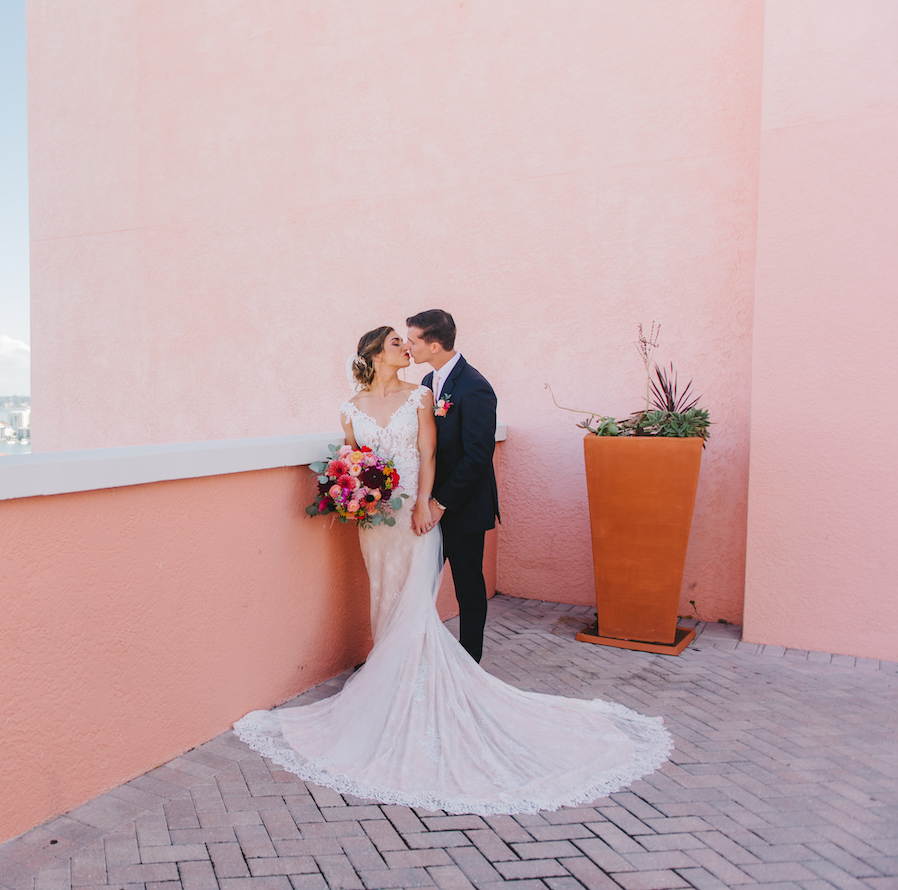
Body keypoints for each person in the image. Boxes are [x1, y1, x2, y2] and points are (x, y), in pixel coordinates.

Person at [233, 326, 671, 814]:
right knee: (385, 594)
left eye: (409, 340)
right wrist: (353, 495)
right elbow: (353, 459)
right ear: (374, 355)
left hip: (416, 517)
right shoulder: (350, 407)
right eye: (396, 343)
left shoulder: (421, 396)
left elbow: (429, 453)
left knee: (414, 598)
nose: (405, 347)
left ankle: (416, 687)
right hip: (374, 522)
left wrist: (426, 505)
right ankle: (387, 683)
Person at [405, 308, 498, 663]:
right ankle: (410, 652)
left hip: (463, 506)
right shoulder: (429, 384)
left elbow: (477, 456)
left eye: (413, 340)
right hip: (431, 504)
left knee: (468, 585)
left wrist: (439, 503)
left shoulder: (475, 387)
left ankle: (470, 660)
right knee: (420, 582)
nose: (409, 347)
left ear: (434, 343)